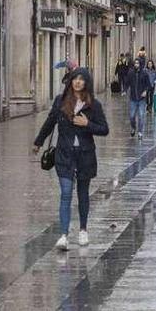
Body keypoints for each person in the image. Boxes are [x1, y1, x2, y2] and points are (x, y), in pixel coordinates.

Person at [33, 68, 109, 251]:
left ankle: (83, 230)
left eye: (82, 79)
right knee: (66, 192)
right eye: (75, 78)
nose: (78, 82)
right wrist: (38, 142)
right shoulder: (60, 101)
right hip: (64, 153)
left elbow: (104, 129)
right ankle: (64, 235)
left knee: (83, 193)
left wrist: (87, 124)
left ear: (86, 83)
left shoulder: (94, 105)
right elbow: (50, 122)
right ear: (71, 81)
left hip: (85, 155)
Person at [125, 58, 153, 138]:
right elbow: (127, 83)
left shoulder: (144, 73)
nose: (136, 64)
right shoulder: (131, 73)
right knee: (132, 116)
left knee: (141, 116)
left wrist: (145, 91)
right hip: (133, 98)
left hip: (141, 99)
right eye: (135, 63)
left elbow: (149, 85)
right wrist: (124, 90)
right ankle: (133, 127)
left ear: (140, 64)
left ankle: (140, 132)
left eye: (137, 63)